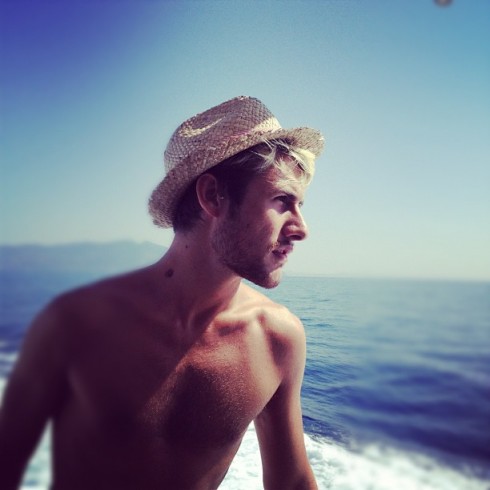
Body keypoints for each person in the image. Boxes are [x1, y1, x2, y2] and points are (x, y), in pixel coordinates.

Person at [0, 96, 324, 489]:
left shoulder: (278, 339)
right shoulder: (75, 324)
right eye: (282, 201)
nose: (301, 228)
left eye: (299, 205)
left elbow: (291, 482)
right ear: (213, 196)